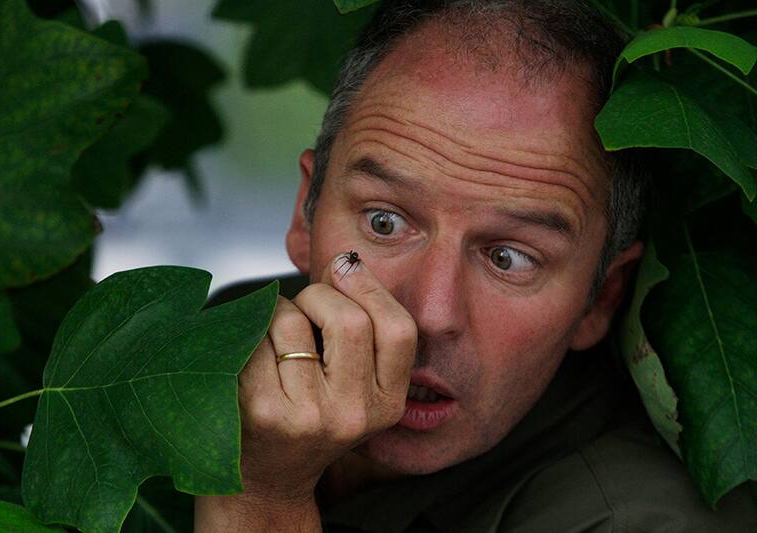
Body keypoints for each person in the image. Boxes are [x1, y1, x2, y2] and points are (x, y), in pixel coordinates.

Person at [197, 1, 757, 530]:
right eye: (385, 222)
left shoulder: (633, 521)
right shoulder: (216, 343)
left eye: (509, 258)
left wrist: (261, 496)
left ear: (602, 297)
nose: (429, 315)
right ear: (306, 213)